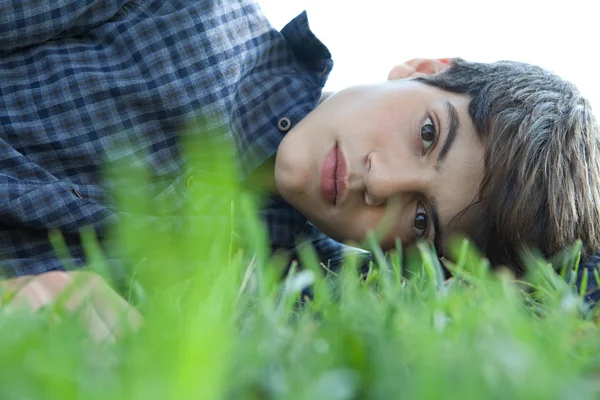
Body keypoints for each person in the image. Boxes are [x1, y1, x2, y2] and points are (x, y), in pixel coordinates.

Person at [1, 0, 598, 338]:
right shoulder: (183, 15)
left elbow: (554, 308)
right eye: (427, 135)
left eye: (421, 221)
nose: (380, 183)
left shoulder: (302, 300)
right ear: (423, 66)